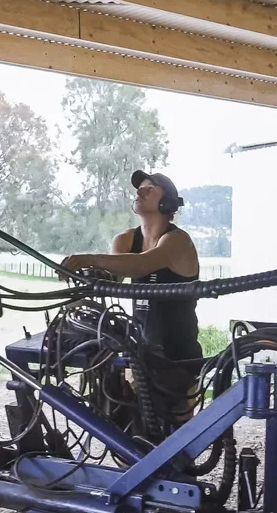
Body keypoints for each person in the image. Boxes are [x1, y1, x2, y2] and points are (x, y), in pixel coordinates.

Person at [62, 171, 204, 425]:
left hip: (179, 358)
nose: (140, 192)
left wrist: (88, 258)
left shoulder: (177, 241)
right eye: (139, 188)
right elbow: (113, 280)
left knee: (176, 434)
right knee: (134, 428)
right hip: (141, 354)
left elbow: (141, 265)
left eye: (150, 189)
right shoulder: (125, 240)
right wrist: (88, 276)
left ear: (168, 203)